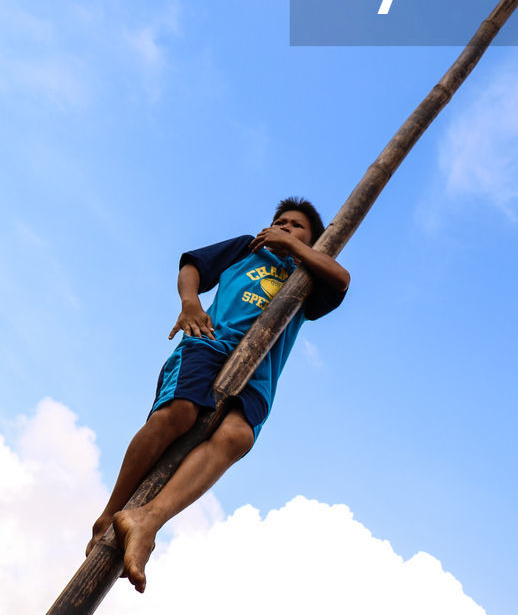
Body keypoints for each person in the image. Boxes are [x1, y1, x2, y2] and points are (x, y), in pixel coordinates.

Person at [86, 197, 349, 593]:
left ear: (312, 242)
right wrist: (190, 303)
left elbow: (342, 279)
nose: (285, 228)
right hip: (211, 342)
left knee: (238, 437)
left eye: (297, 227)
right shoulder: (248, 247)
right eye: (280, 221)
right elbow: (193, 265)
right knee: (179, 413)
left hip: (260, 373)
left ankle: (147, 520)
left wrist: (298, 250)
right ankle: (109, 515)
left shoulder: (309, 276)